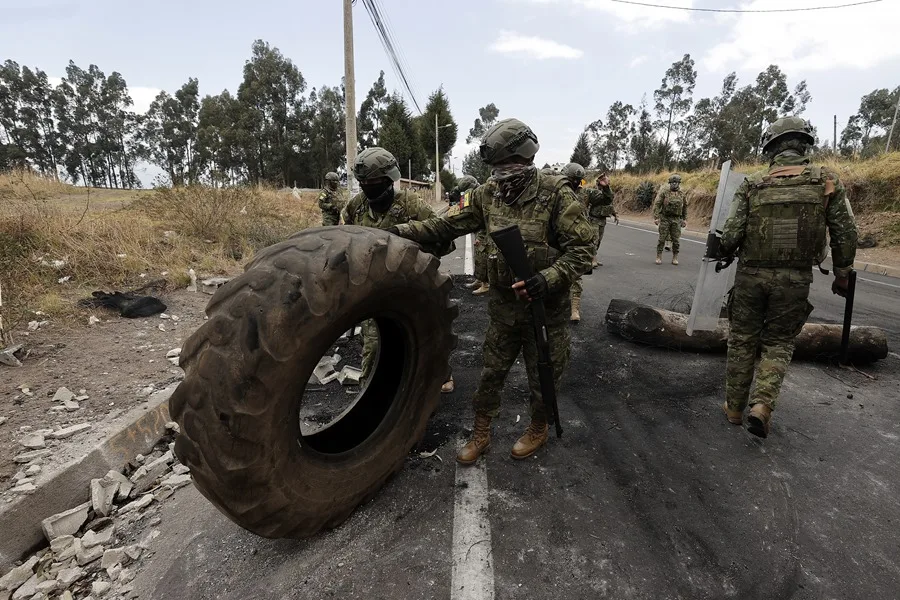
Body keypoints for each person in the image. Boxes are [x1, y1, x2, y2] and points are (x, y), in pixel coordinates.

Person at [388, 118, 594, 463]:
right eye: (496, 168)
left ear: (524, 157)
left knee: (542, 376)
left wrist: (547, 279)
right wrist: (399, 230)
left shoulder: (556, 194)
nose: (501, 174)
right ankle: (481, 433)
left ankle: (538, 428)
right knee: (490, 374)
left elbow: (584, 250)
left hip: (546, 312)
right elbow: (447, 224)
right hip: (504, 311)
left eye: (505, 165)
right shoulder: (487, 194)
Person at [718, 116, 858, 438]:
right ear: (805, 143)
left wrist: (726, 249)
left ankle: (735, 409)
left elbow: (731, 235)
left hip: (750, 277)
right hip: (794, 281)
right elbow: (845, 233)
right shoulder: (827, 181)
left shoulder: (753, 183)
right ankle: (762, 405)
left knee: (742, 340)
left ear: (771, 147)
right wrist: (842, 274)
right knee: (778, 343)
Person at [341, 147, 456, 392]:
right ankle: (371, 398)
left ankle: (441, 375)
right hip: (374, 290)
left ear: (389, 179)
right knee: (373, 346)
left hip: (412, 286)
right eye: (364, 183)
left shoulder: (410, 204)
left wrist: (404, 233)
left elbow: (441, 235)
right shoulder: (355, 208)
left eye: (374, 182)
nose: (368, 187)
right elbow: (345, 242)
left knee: (428, 336)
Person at [653, 174, 687, 265]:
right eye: (672, 182)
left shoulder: (682, 194)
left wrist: (684, 219)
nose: (674, 184)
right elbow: (658, 204)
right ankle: (659, 256)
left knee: (676, 240)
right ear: (670, 183)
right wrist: (656, 217)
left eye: (676, 182)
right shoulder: (665, 192)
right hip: (665, 218)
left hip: (676, 219)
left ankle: (675, 257)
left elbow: (685, 207)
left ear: (679, 183)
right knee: (662, 239)